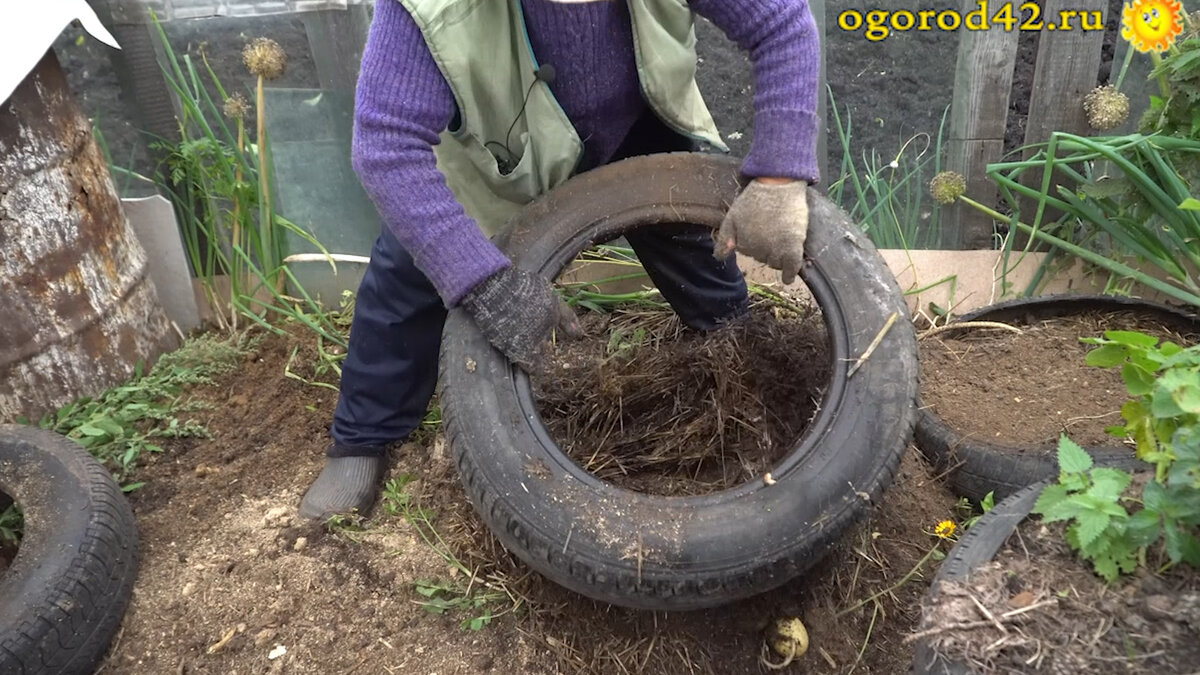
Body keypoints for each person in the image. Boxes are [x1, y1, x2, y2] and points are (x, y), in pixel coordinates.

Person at [298, 0, 821, 520]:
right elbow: (385, 145)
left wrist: (779, 174)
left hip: (633, 121)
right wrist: (482, 281)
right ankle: (363, 438)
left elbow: (781, 24)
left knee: (697, 254)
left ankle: (738, 351)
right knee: (407, 276)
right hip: (499, 153)